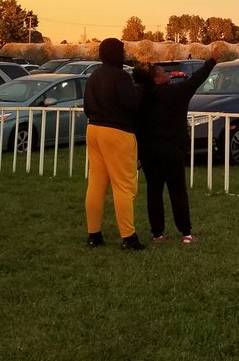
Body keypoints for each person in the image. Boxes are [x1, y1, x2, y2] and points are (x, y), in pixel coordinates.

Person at [135, 57, 216, 244]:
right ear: (157, 79)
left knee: (154, 191)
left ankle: (157, 235)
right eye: (162, 72)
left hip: (149, 151)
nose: (167, 73)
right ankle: (186, 233)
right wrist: (212, 60)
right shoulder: (176, 93)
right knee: (177, 190)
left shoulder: (141, 97)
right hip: (172, 149)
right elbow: (196, 80)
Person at [83, 37, 143, 250]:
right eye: (122, 50)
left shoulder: (93, 76)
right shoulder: (121, 76)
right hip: (117, 132)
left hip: (93, 130)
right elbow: (133, 104)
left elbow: (86, 106)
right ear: (116, 53)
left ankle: (94, 234)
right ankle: (128, 237)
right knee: (123, 185)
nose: (124, 53)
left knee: (96, 185)